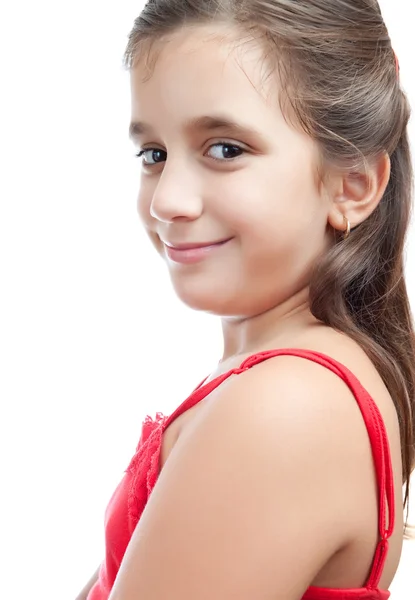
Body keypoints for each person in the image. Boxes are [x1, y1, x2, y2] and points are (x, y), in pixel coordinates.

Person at [76, 1, 415, 599]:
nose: (168, 202)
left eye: (225, 149)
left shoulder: (284, 404)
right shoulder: (285, 380)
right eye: (153, 154)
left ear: (353, 184)